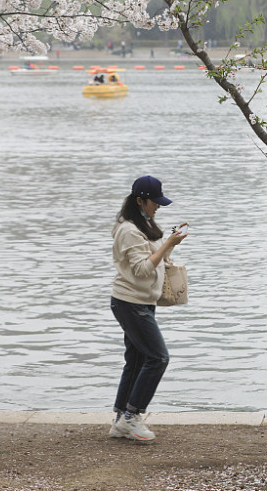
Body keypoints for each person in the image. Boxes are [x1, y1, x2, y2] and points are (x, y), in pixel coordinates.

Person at [108, 175, 187, 441]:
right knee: (158, 358)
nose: (158, 207)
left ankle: (120, 418)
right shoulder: (129, 230)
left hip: (142, 302)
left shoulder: (145, 223)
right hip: (131, 302)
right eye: (155, 202)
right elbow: (142, 270)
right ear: (140, 200)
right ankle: (131, 416)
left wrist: (169, 248)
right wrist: (167, 244)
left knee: (137, 360)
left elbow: (151, 259)